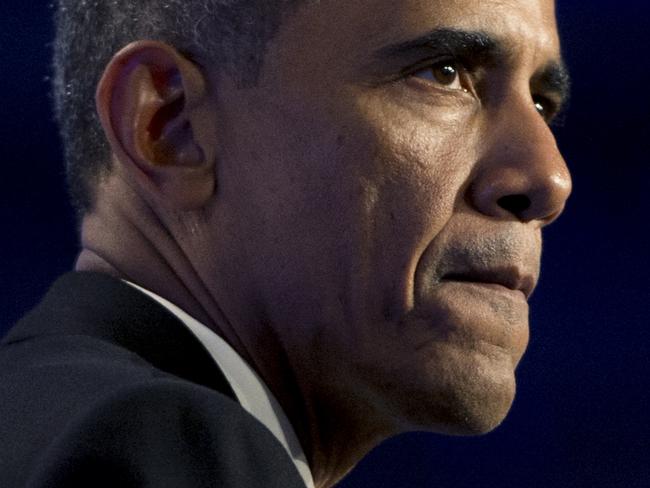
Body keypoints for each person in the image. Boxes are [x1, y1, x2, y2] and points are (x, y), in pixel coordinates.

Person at [0, 0, 572, 486]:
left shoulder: (45, 416)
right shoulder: (162, 443)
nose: (549, 178)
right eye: (443, 73)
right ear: (170, 125)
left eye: (543, 103)